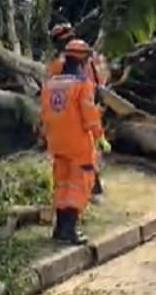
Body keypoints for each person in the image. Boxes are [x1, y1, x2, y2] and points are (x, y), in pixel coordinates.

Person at [40, 39, 110, 245]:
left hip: (56, 142)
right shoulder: (82, 85)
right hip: (78, 143)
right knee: (79, 184)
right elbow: (89, 116)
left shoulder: (50, 84)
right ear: (83, 60)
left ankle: (59, 228)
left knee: (62, 183)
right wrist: (100, 137)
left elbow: (44, 114)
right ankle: (70, 230)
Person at [47, 22, 108, 202]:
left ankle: (90, 190)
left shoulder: (63, 63)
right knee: (85, 153)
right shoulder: (80, 60)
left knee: (85, 154)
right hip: (78, 111)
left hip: (74, 113)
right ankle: (88, 191)